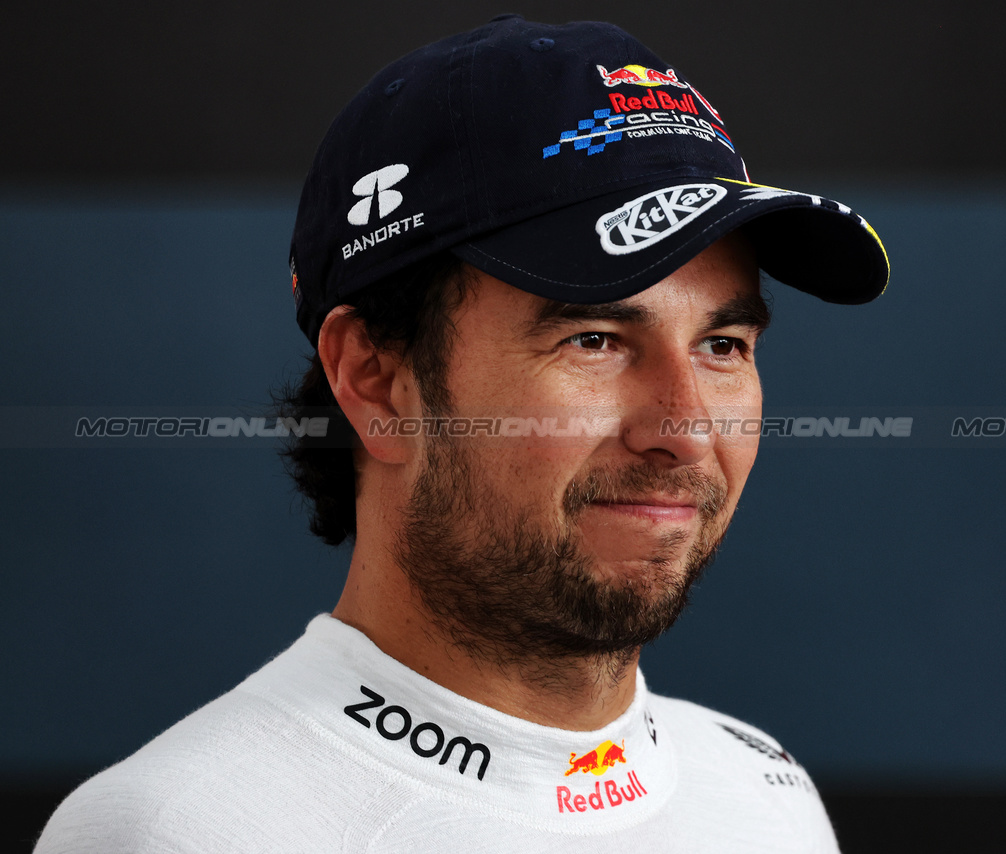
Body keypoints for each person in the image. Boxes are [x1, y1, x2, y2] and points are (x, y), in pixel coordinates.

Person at [36, 15, 887, 853]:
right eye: (593, 339)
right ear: (375, 378)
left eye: (722, 346)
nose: (686, 430)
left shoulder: (763, 794)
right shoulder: (177, 830)